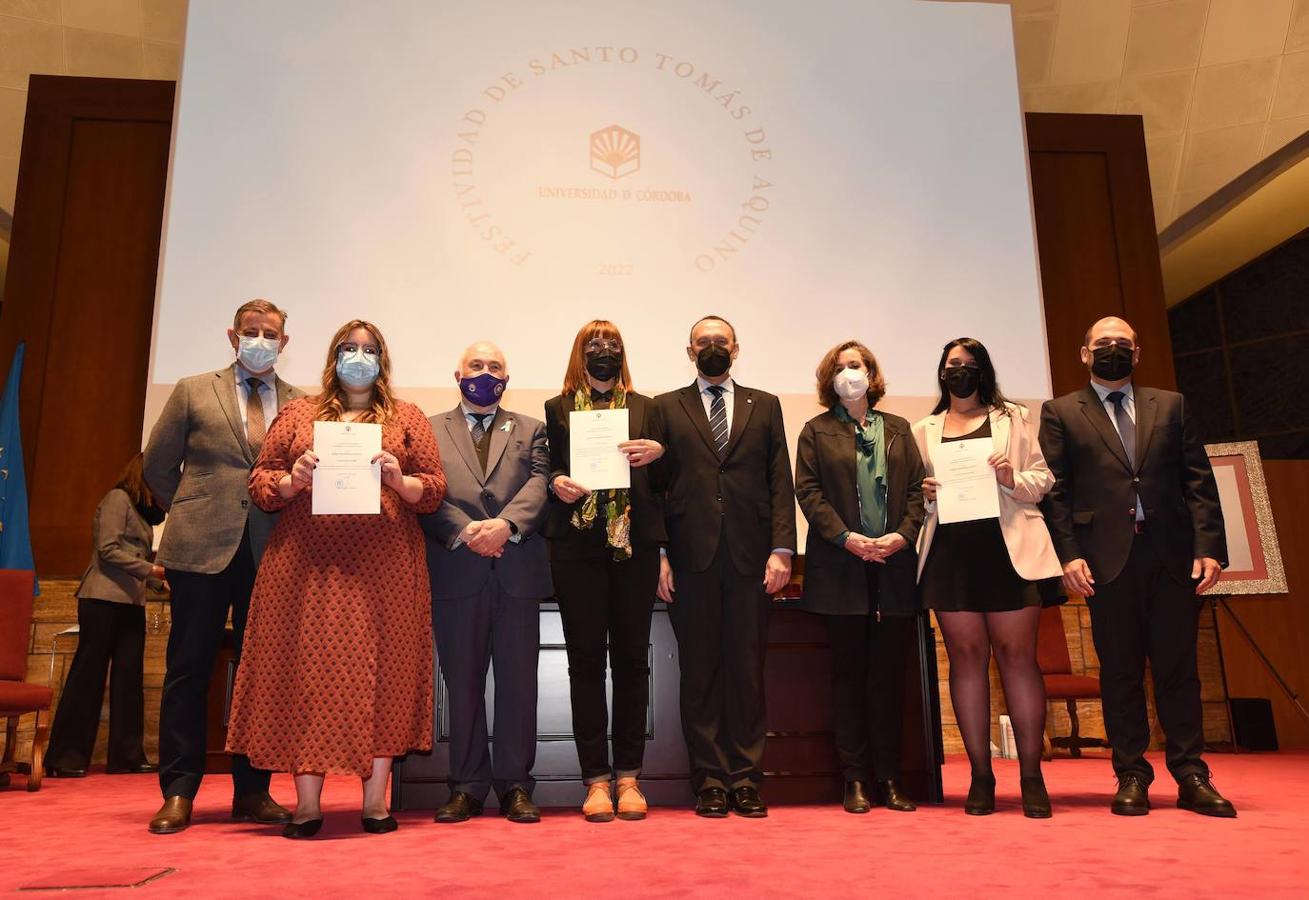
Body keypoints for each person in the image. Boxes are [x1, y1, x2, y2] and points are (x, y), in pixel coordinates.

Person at [225, 319, 445, 838]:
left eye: (369, 350)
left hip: (386, 568)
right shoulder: (298, 413)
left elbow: (433, 490)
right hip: (307, 568)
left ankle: (374, 804)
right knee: (309, 675)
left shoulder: (407, 417)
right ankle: (306, 806)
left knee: (386, 672)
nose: (359, 357)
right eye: (350, 348)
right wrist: (290, 479)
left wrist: (398, 478)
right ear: (333, 356)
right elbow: (260, 483)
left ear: (382, 359)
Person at [1039, 316, 1234, 818]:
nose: (1112, 350)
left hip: (1172, 556)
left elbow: (1199, 480)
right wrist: (1067, 555)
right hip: (1105, 560)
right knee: (1120, 672)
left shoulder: (1171, 405)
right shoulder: (1061, 412)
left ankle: (1192, 774)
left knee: (1179, 670)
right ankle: (1131, 773)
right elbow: (1056, 493)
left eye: (1122, 344)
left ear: (1137, 352)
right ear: (1084, 354)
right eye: (1102, 343)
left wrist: (1210, 545)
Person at [143, 299, 302, 834]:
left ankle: (253, 791)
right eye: (251, 331)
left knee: (263, 675)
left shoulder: (303, 403)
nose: (261, 340)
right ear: (233, 337)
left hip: (272, 552)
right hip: (199, 548)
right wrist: (191, 507)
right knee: (189, 669)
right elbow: (157, 465)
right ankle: (179, 790)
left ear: (285, 342)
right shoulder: (192, 389)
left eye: (271, 333)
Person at [649, 315, 796, 819]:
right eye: (703, 341)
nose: (713, 347)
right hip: (691, 558)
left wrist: (783, 549)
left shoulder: (767, 404)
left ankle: (746, 779)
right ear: (690, 351)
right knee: (701, 673)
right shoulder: (665, 407)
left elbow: (781, 479)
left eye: (721, 341)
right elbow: (657, 487)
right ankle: (710, 781)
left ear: (737, 349)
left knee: (747, 672)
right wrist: (661, 554)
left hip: (752, 559)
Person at [913, 337, 1064, 818]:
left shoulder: (1013, 418)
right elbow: (912, 501)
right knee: (966, 659)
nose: (959, 371)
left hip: (1009, 549)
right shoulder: (923, 430)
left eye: (968, 364)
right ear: (941, 372)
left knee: (1018, 657)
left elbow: (1042, 480)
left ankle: (1032, 777)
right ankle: (981, 776)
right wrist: (925, 493)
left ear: (983, 371)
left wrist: (1010, 479)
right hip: (951, 554)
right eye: (951, 364)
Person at [421, 341, 551, 825]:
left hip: (515, 570)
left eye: (495, 366)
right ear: (457, 375)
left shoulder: (534, 429)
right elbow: (424, 487)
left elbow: (541, 484)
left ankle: (516, 785)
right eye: (476, 365)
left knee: (519, 684)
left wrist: (506, 526)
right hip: (457, 570)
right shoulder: (428, 429)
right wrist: (464, 531)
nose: (485, 372)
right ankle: (467, 786)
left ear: (507, 376)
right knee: (463, 682)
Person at [795, 340, 925, 816]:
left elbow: (915, 491)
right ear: (829, 379)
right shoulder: (815, 431)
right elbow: (808, 494)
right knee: (848, 678)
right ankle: (854, 779)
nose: (850, 373)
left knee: (889, 680)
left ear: (872, 374)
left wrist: (902, 535)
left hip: (893, 568)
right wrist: (846, 537)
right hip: (840, 569)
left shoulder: (899, 429)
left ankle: (889, 778)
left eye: (858, 365)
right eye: (842, 367)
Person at [544, 320, 665, 822]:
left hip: (633, 550)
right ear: (579, 352)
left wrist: (660, 454)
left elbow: (668, 483)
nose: (603, 351)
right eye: (594, 345)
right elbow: (546, 465)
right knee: (586, 664)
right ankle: (595, 780)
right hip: (577, 550)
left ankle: (630, 777)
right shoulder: (557, 408)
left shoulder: (647, 409)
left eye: (612, 344)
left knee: (634, 663)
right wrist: (556, 481)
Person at [45, 454, 165, 778]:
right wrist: (152, 569)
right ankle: (65, 757)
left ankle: (126, 756)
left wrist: (161, 581)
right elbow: (108, 549)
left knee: (129, 682)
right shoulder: (118, 499)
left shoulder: (142, 512)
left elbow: (134, 559)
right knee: (88, 676)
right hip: (101, 598)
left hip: (130, 602)